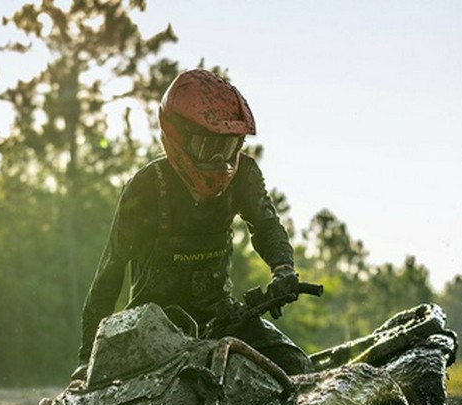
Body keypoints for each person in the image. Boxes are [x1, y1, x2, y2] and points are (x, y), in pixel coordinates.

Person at [74, 68, 312, 380]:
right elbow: (110, 272)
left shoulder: (244, 175)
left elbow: (267, 226)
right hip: (151, 326)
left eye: (228, 148)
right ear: (177, 136)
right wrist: (87, 359)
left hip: (223, 315)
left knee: (295, 366)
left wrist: (283, 268)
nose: (219, 161)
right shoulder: (145, 188)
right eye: (207, 147)